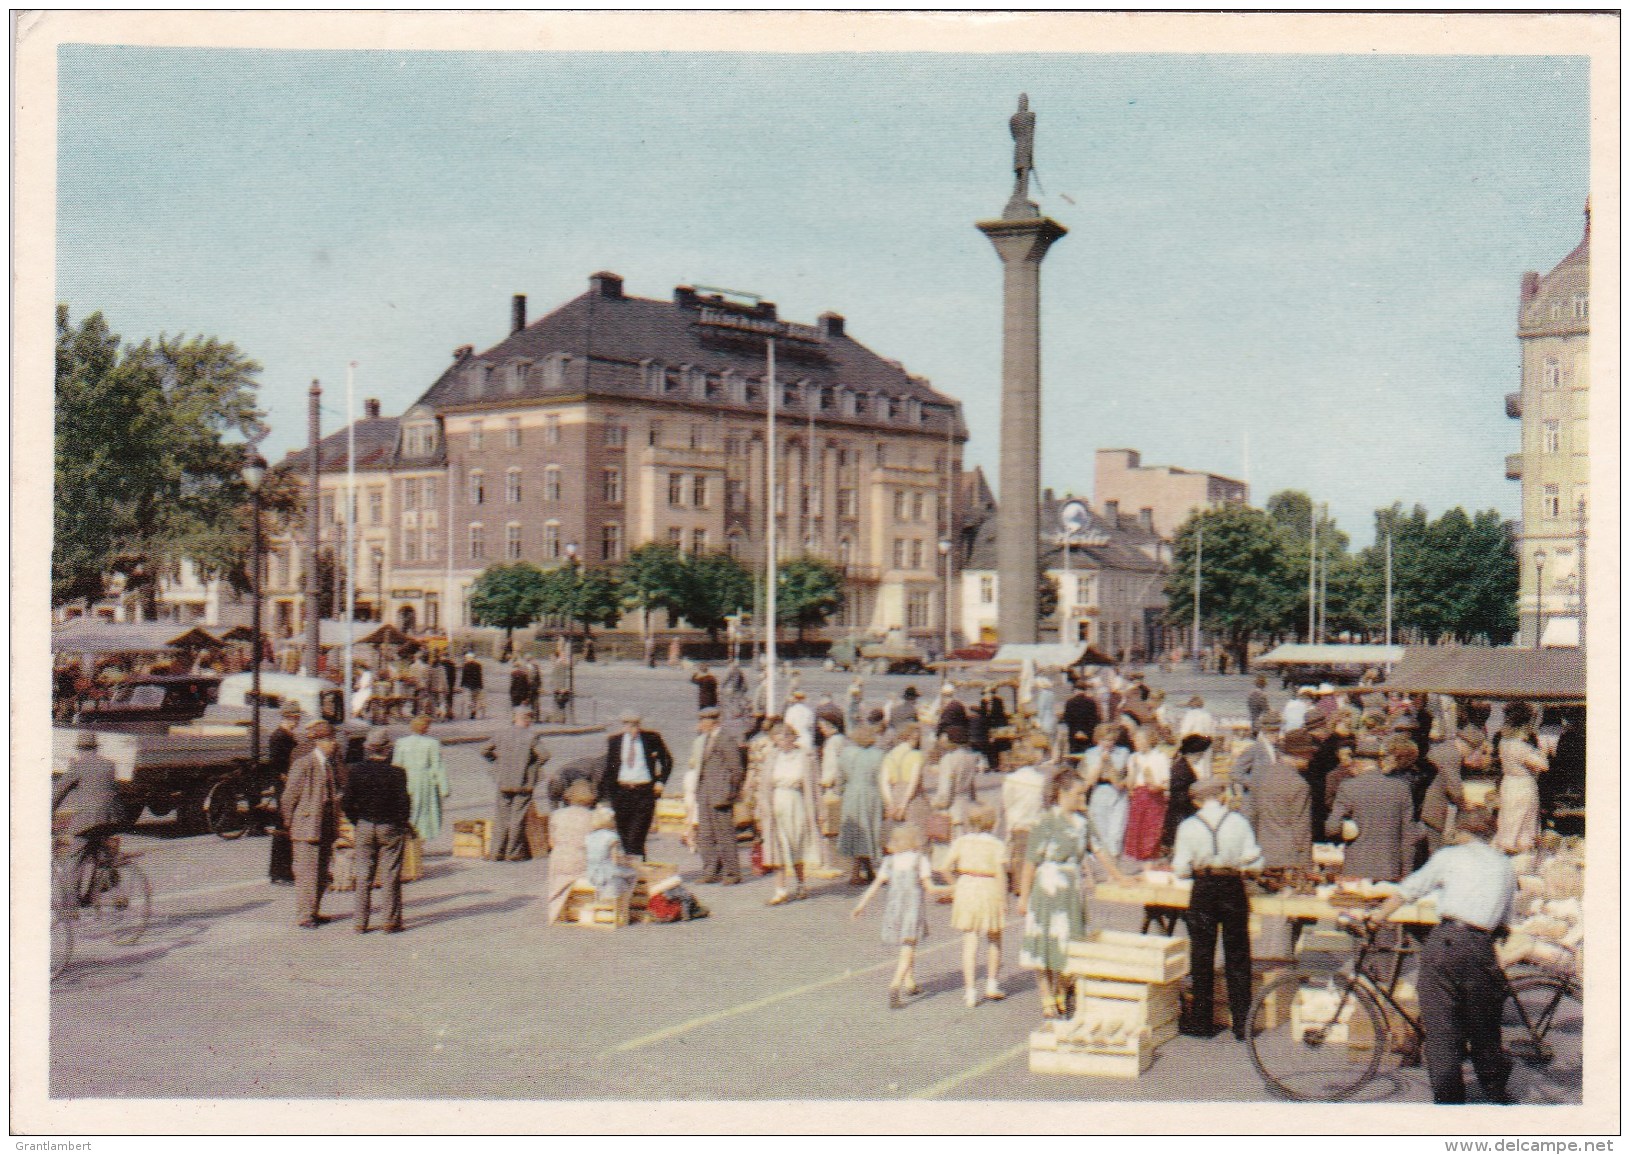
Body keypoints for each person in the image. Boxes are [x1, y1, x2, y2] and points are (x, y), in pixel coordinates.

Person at [1364, 807, 1515, 1104]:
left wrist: (1377, 916)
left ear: (1461, 832)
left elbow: (1410, 890)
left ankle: (1449, 1102)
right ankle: (1496, 1095)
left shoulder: (1449, 857)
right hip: (1480, 945)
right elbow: (1506, 922)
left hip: (1446, 941)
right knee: (1484, 1027)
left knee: (1441, 1029)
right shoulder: (1505, 865)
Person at [1173, 775, 1265, 1038]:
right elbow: (1254, 862)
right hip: (1232, 887)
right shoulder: (1238, 822)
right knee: (1237, 954)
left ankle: (1202, 1022)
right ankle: (1242, 1024)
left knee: (1202, 954)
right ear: (1223, 796)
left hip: (1203, 888)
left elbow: (1180, 869)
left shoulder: (1189, 826)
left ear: (1197, 801)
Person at [1019, 773, 1114, 1019]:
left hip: (1073, 888)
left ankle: (1061, 989)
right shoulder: (1045, 822)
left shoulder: (1084, 822)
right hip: (1048, 886)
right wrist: (1023, 897)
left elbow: (1099, 849)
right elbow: (1030, 862)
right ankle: (1046, 997)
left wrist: (1119, 875)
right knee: (1043, 941)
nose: (1083, 798)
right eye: (1078, 793)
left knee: (1070, 942)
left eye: (1084, 793)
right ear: (1062, 794)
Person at [852, 823, 938, 1009]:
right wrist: (955, 888)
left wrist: (861, 905)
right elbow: (930, 888)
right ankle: (895, 985)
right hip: (912, 910)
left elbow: (876, 885)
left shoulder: (890, 861)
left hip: (894, 910)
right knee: (908, 948)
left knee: (906, 946)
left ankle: (910, 983)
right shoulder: (919, 860)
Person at [342, 728, 412, 934]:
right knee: (390, 874)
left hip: (364, 825)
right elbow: (404, 805)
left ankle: (360, 922)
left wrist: (358, 821)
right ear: (387, 750)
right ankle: (389, 921)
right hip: (389, 826)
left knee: (363, 875)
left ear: (367, 749)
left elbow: (346, 803)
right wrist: (400, 824)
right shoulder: (397, 773)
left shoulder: (355, 771)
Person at [942, 804, 1009, 1008]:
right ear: (992, 822)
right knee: (994, 937)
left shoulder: (961, 841)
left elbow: (944, 868)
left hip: (966, 885)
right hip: (989, 887)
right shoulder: (997, 844)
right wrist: (1004, 898)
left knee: (970, 940)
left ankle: (970, 991)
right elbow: (1000, 873)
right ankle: (991, 983)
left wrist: (955, 886)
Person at [1326, 736, 1415, 882]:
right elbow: (1409, 836)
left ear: (1357, 761)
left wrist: (1348, 828)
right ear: (1380, 761)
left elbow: (1332, 827)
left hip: (1357, 868)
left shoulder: (1348, 787)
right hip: (1390, 868)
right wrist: (1407, 873)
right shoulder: (1401, 788)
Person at [53, 731, 127, 905]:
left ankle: (70, 906)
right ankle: (94, 890)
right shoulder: (109, 765)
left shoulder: (78, 766)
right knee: (96, 851)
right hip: (113, 816)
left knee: (75, 856)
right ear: (95, 748)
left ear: (80, 749)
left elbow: (58, 792)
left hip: (90, 819)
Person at [282, 720, 343, 928]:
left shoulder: (329, 764)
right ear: (319, 742)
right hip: (307, 826)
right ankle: (305, 915)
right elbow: (289, 796)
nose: (333, 744)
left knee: (321, 871)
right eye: (329, 740)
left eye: (333, 739)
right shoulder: (304, 763)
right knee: (307, 872)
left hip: (325, 824)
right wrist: (289, 820)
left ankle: (314, 910)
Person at [757, 722, 822, 905]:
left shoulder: (806, 757)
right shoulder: (771, 758)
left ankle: (801, 884)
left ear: (793, 737)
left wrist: (820, 809)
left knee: (797, 844)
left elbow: (815, 787)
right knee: (778, 846)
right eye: (777, 739)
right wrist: (761, 810)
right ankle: (780, 890)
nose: (782, 742)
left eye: (785, 737)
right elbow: (763, 787)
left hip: (797, 803)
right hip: (776, 804)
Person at [599, 712, 673, 859]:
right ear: (624, 726)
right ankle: (636, 873)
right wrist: (605, 798)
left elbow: (667, 761)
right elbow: (609, 770)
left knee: (636, 836)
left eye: (635, 725)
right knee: (625, 837)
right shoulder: (615, 741)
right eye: (629, 725)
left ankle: (637, 872)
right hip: (622, 793)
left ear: (640, 725)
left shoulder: (651, 739)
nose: (633, 729)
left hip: (644, 793)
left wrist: (660, 782)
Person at [482, 706, 549, 862]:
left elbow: (484, 750)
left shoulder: (500, 734)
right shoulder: (531, 736)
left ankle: (496, 852)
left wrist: (496, 761)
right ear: (527, 719)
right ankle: (513, 853)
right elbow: (545, 756)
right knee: (517, 817)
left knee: (501, 817)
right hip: (523, 783)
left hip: (503, 781)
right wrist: (532, 766)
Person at [691, 707, 745, 884]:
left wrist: (730, 792)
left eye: (703, 721)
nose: (700, 725)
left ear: (712, 722)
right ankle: (710, 870)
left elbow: (736, 769)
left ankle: (732, 872)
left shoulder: (725, 739)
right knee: (705, 834)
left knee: (725, 835)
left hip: (720, 793)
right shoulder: (704, 740)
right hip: (705, 792)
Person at [1247, 728, 1315, 870]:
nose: (1312, 759)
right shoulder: (1299, 784)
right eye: (1310, 754)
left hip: (1263, 850)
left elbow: (1251, 815)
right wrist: (1306, 866)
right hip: (1289, 856)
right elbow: (1301, 829)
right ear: (1299, 755)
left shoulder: (1262, 778)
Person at [1494, 702, 1548, 854]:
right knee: (1523, 821)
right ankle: (1520, 850)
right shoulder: (1521, 747)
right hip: (1523, 786)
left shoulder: (1503, 743)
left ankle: (1506, 847)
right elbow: (1543, 765)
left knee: (1508, 820)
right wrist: (1542, 750)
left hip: (1508, 783)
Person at [836, 724, 887, 885]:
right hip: (871, 794)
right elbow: (882, 779)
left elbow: (840, 778)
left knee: (856, 831)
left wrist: (841, 791)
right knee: (868, 830)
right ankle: (856, 873)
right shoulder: (879, 755)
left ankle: (868, 870)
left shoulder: (846, 753)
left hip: (851, 793)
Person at [392, 714, 450, 850]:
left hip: (405, 780)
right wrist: (444, 788)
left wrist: (394, 785)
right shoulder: (432, 743)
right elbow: (437, 766)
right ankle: (418, 843)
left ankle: (407, 843)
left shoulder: (401, 742)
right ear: (426, 728)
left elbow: (396, 765)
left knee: (408, 810)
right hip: (425, 782)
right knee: (424, 812)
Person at [1421, 726, 1481, 857]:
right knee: (1434, 849)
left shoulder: (1444, 748)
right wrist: (1464, 805)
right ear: (1469, 747)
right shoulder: (1452, 755)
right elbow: (1454, 787)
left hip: (1425, 800)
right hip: (1432, 806)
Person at [545, 779, 599, 922]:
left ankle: (555, 914)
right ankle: (583, 911)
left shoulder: (557, 814)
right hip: (581, 858)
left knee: (557, 885)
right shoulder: (593, 816)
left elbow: (551, 842)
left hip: (559, 857)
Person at [265, 702, 304, 884]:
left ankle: (282, 870)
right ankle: (281, 871)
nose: (297, 720)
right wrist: (289, 780)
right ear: (288, 717)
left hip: (287, 786)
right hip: (285, 788)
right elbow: (278, 767)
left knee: (285, 828)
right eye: (296, 717)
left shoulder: (287, 735)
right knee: (283, 828)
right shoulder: (279, 737)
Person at [1122, 725, 1170, 864]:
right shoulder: (1133, 758)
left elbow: (1166, 783)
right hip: (1138, 795)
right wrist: (1136, 769)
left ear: (1150, 740)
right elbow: (1130, 785)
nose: (1138, 743)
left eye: (1141, 740)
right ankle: (1136, 864)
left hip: (1155, 797)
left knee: (1152, 830)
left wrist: (1155, 785)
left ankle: (1150, 862)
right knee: (1136, 830)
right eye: (1136, 740)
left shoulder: (1160, 757)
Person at [932, 725, 986, 840]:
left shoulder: (948, 759)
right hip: (967, 807)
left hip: (952, 809)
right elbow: (972, 787)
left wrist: (937, 804)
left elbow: (945, 789)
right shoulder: (971, 757)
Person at [1160, 734, 1211, 855]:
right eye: (1201, 754)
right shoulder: (1182, 769)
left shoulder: (1182, 766)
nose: (1201, 757)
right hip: (1180, 814)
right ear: (1194, 753)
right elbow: (1180, 795)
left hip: (1179, 811)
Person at [585, 809, 639, 903]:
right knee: (633, 874)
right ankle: (626, 901)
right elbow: (616, 859)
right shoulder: (612, 837)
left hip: (592, 872)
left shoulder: (589, 836)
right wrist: (631, 862)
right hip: (608, 872)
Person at [879, 724, 927, 827]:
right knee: (915, 834)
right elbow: (913, 783)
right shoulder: (916, 755)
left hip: (894, 794)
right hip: (912, 800)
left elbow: (884, 783)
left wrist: (890, 803)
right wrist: (903, 804)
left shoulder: (889, 756)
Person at [1231, 712, 1282, 797]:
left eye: (1277, 731)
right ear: (1264, 732)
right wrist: (1256, 784)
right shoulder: (1253, 749)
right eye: (1271, 732)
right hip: (1257, 798)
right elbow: (1235, 773)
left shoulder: (1279, 750)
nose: (1276, 735)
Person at [1061, 680, 1100, 755]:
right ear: (1085, 690)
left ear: (1075, 690)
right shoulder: (1091, 702)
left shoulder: (1070, 702)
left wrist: (1076, 731)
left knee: (1075, 754)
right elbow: (1094, 719)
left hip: (1074, 733)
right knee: (1087, 753)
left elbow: (1067, 719)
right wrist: (1085, 731)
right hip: (1088, 733)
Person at [459, 652, 485, 720]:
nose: (466, 659)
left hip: (468, 685)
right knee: (474, 699)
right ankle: (473, 710)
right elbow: (480, 675)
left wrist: (462, 685)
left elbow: (464, 676)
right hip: (476, 685)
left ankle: (472, 710)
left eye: (466, 658)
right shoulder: (478, 665)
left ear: (469, 658)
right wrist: (481, 685)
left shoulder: (465, 665)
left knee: (469, 699)